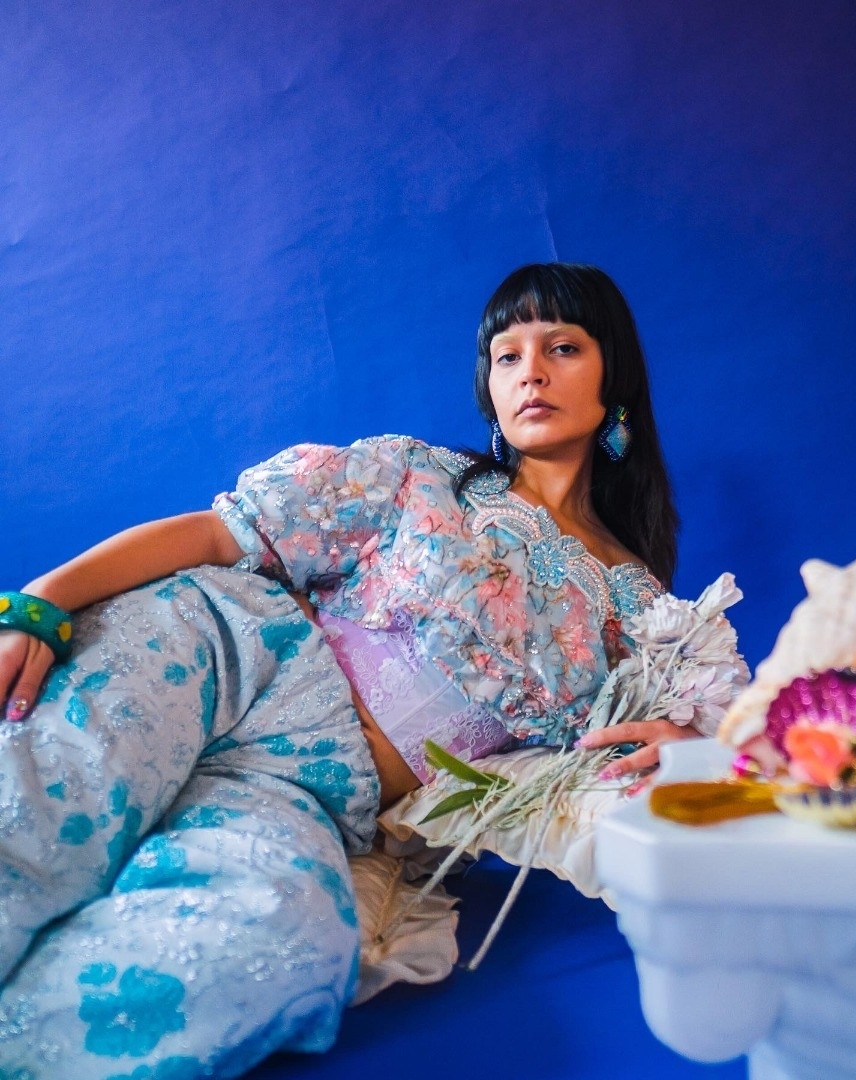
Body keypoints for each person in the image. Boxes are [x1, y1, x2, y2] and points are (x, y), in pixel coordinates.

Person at [0, 263, 698, 1078]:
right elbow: (216, 534)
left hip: (313, 789)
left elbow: (697, 739)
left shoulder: (639, 607)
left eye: (563, 347)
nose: (530, 372)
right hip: (227, 649)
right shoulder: (421, 475)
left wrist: (692, 745)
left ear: (617, 375)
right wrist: (37, 603)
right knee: (38, 808)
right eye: (507, 355)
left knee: (279, 947)